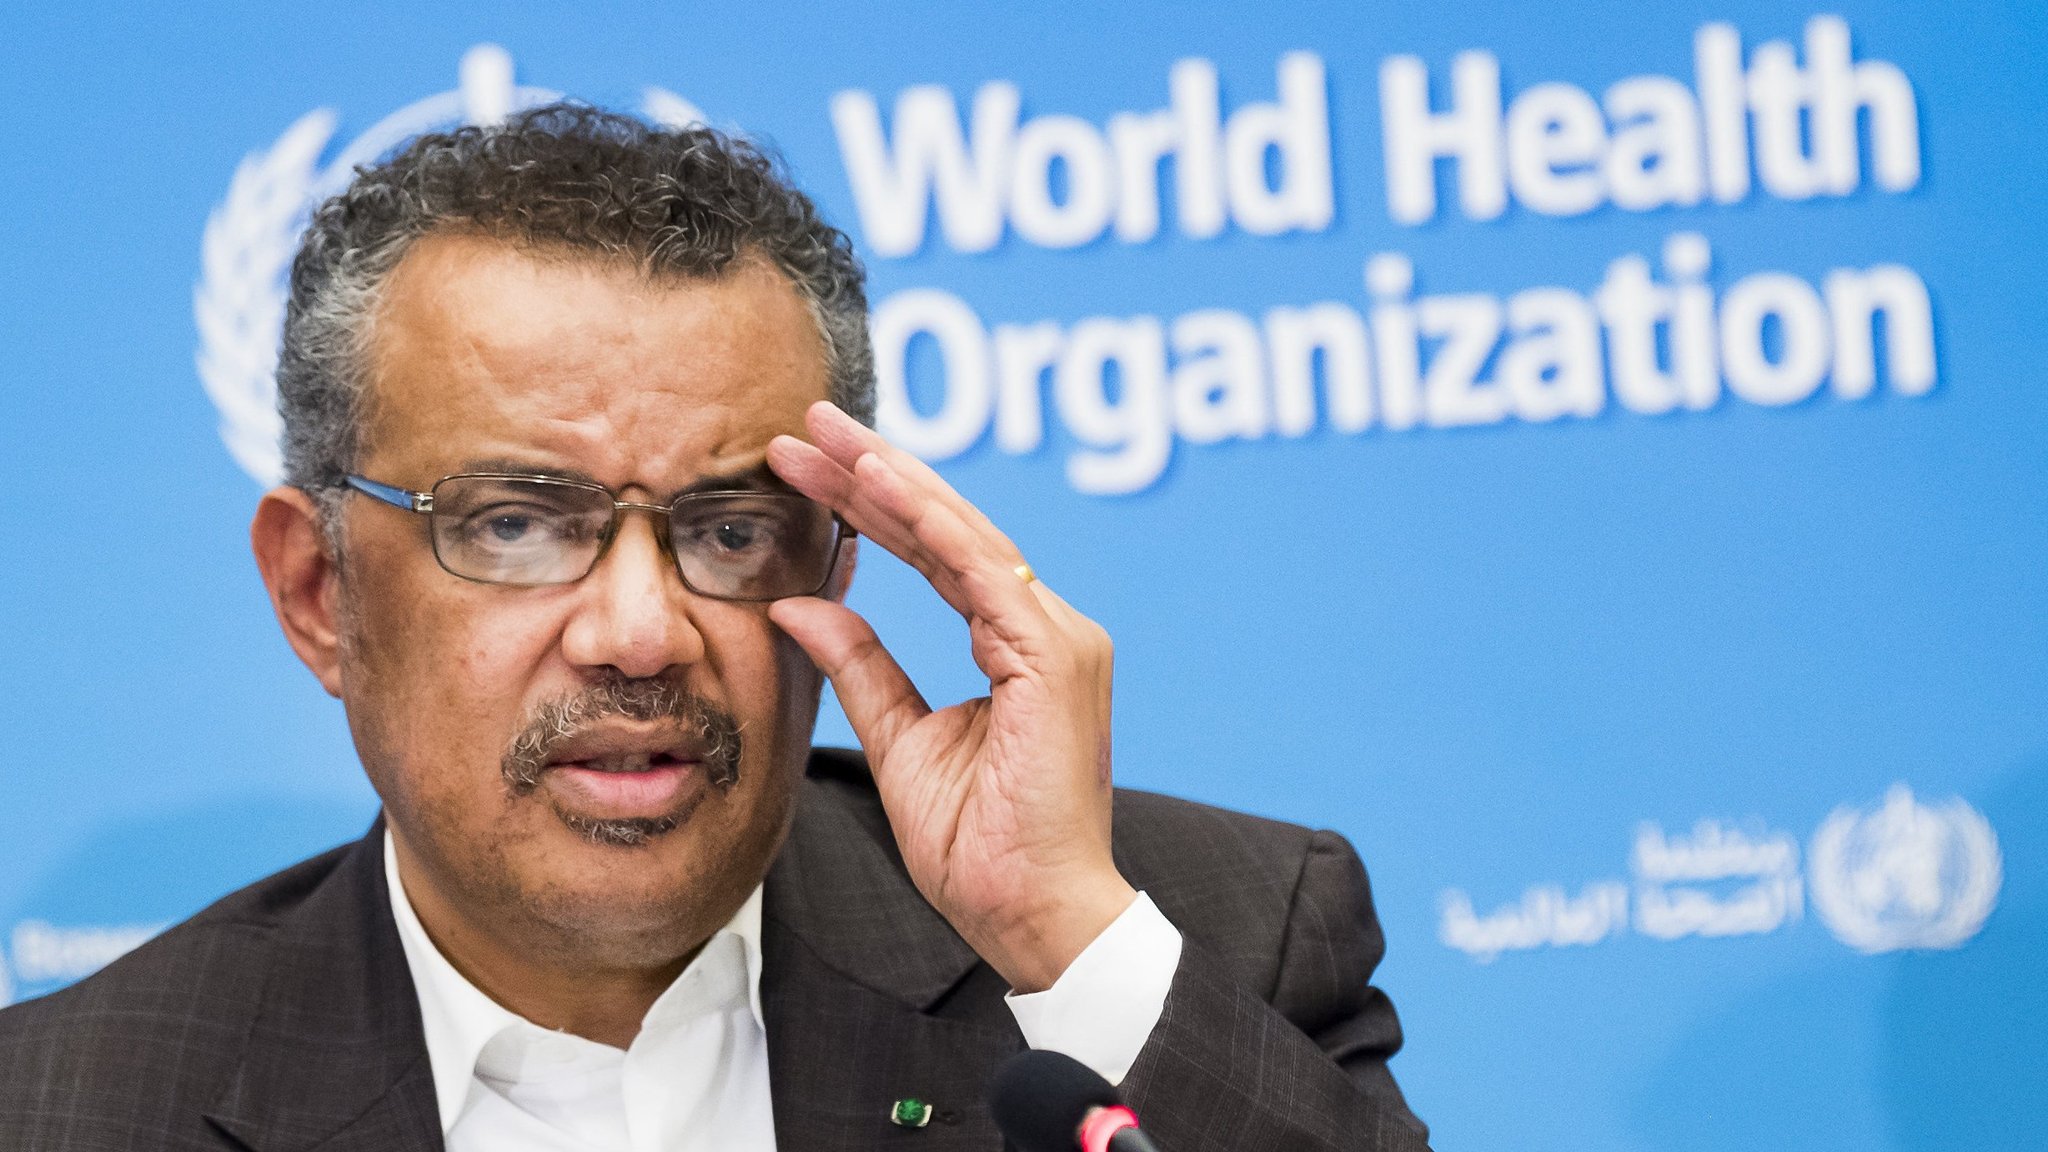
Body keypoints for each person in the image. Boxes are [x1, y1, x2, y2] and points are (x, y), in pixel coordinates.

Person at [0, 105, 1429, 1151]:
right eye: (516, 524)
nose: (640, 633)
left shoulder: (1208, 945)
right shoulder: (65, 1113)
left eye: (733, 530)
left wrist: (1060, 946)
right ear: (320, 593)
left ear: (838, 565)